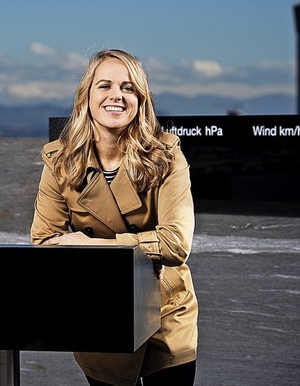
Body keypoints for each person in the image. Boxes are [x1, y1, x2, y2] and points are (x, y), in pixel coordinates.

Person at [30, 49, 198, 386]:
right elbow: (44, 242)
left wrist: (90, 246)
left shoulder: (167, 155)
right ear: (86, 97)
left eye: (128, 87)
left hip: (167, 311)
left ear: (141, 98)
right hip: (97, 311)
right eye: (104, 85)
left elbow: (176, 243)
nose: (116, 96)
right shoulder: (59, 161)